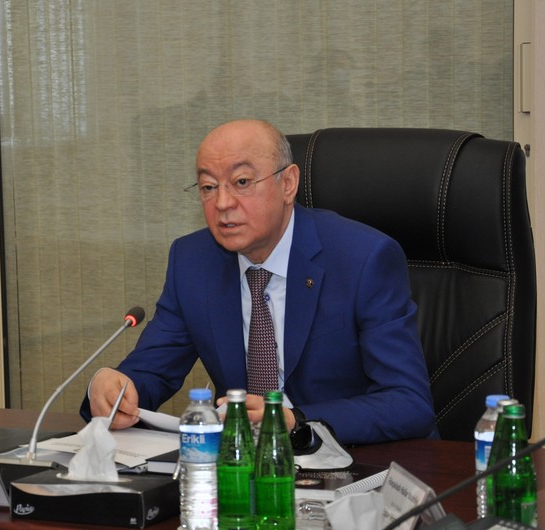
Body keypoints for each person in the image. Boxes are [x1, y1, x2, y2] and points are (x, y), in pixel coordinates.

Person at [81, 119, 436, 444]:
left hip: (354, 464)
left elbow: (409, 402)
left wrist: (294, 420)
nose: (222, 203)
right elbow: (149, 373)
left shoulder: (363, 258)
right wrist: (112, 386)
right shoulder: (192, 262)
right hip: (243, 468)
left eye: (242, 182)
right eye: (208, 186)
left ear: (288, 184)